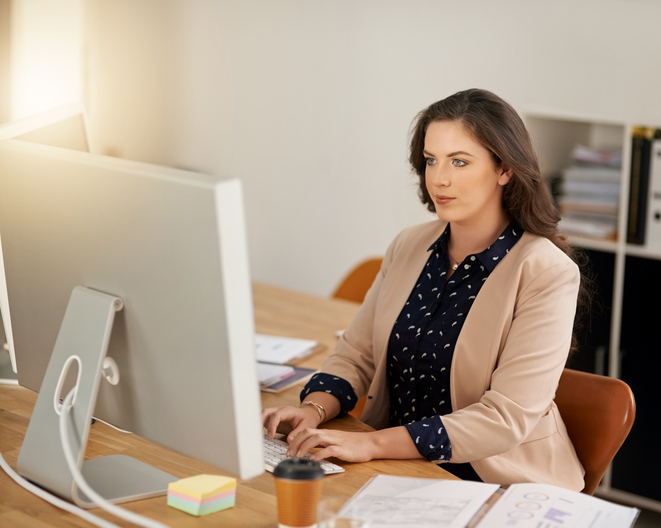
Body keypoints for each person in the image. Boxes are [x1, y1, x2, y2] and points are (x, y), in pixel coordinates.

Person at [262, 88, 586, 490]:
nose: (440, 178)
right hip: (395, 467)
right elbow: (357, 354)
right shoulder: (409, 245)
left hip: (496, 480)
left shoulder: (546, 272)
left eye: (460, 162)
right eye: (431, 160)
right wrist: (313, 409)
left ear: (505, 170)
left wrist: (372, 444)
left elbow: (505, 419)